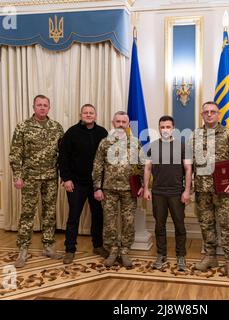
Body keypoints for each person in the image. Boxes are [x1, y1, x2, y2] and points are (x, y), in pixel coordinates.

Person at [190, 101, 229, 279]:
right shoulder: (195, 135)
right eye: (206, 112)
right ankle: (210, 256)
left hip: (224, 190)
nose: (209, 114)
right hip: (202, 189)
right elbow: (189, 162)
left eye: (213, 112)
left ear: (219, 115)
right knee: (206, 225)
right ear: (202, 115)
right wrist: (189, 183)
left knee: (227, 226)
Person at [9, 94, 65, 268]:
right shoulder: (23, 127)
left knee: (49, 213)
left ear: (49, 108)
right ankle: (23, 249)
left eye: (45, 105)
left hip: (50, 177)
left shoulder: (56, 128)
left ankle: (48, 246)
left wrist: (64, 175)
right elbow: (15, 153)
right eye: (39, 105)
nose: (42, 107)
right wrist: (17, 176)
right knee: (27, 214)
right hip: (30, 177)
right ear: (33, 107)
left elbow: (62, 155)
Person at [58, 104, 109, 264]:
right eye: (85, 112)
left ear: (95, 115)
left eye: (91, 112)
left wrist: (102, 183)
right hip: (76, 183)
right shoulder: (71, 133)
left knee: (98, 215)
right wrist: (66, 179)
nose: (88, 115)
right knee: (73, 216)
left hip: (96, 184)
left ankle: (98, 245)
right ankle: (70, 249)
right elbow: (63, 158)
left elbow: (107, 160)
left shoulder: (103, 133)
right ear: (81, 115)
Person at [92, 111, 143, 268]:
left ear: (128, 124)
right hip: (109, 189)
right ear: (113, 123)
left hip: (129, 189)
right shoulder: (105, 142)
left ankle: (125, 250)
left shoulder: (135, 142)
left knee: (128, 221)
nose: (121, 124)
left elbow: (141, 166)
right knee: (109, 222)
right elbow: (97, 165)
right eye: (118, 121)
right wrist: (97, 187)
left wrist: (142, 185)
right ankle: (113, 250)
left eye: (124, 122)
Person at [143, 115, 192, 271]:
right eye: (162, 127)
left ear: (173, 128)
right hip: (158, 193)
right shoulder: (153, 147)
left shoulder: (182, 146)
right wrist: (146, 188)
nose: (165, 130)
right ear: (159, 128)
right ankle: (161, 254)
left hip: (177, 193)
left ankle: (180, 255)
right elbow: (147, 169)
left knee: (179, 225)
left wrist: (187, 191)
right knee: (159, 226)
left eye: (168, 127)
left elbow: (188, 169)